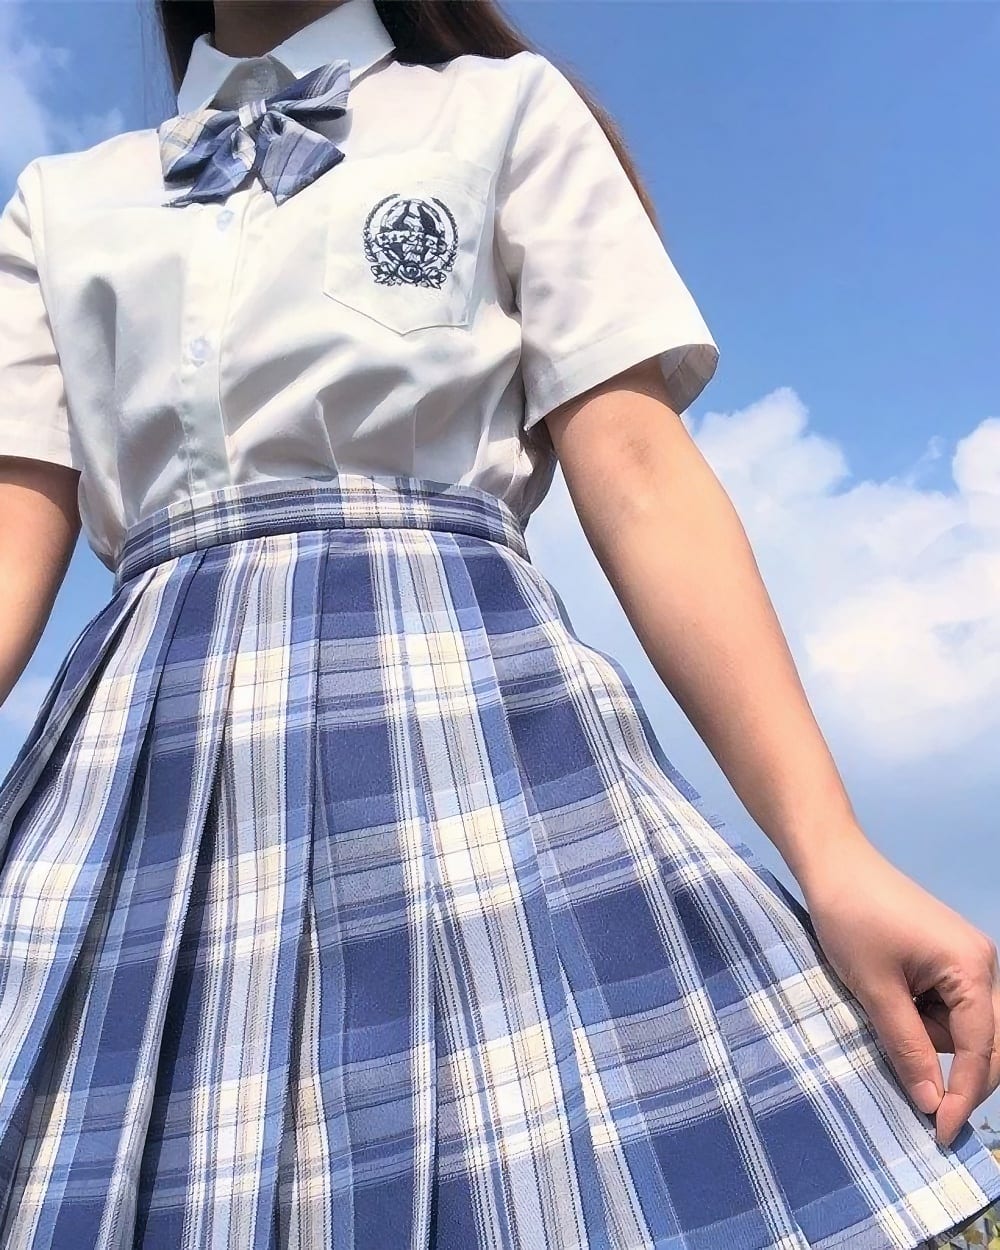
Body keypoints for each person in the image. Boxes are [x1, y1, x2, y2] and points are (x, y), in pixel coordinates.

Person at [0, 0, 996, 1245]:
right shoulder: (62, 200)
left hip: (462, 741)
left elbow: (639, 469)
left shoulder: (502, 109)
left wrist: (832, 851)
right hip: (158, 773)